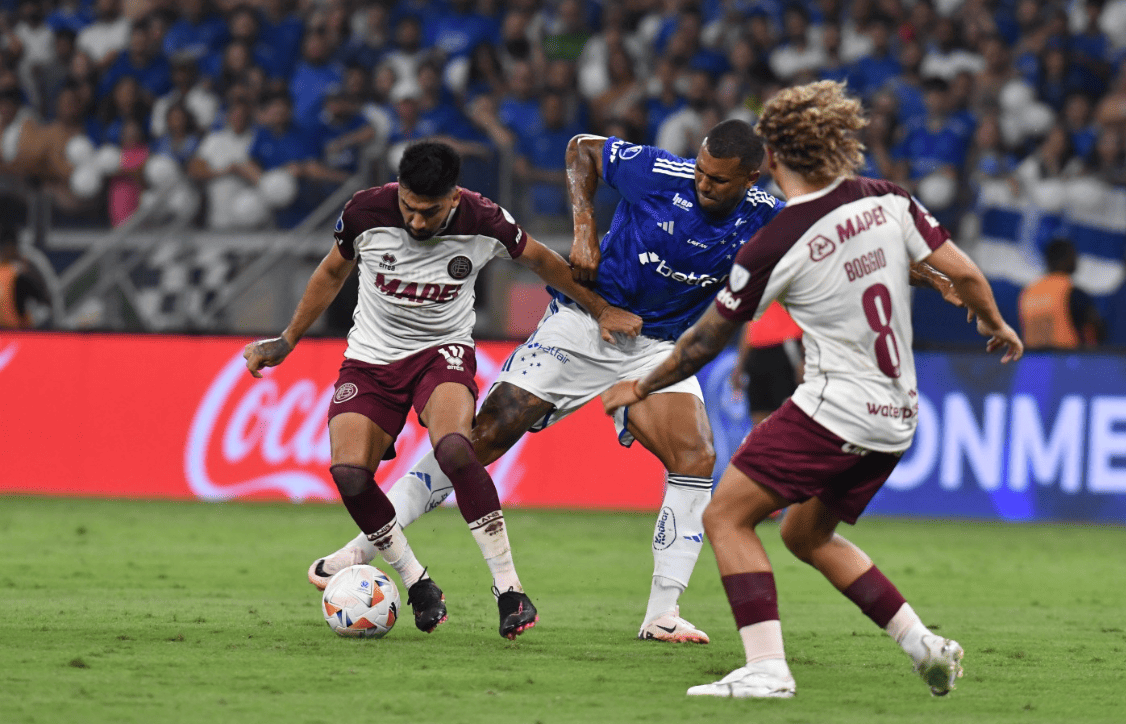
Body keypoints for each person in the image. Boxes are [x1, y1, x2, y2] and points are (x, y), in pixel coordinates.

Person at [602, 80, 1024, 699]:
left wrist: (640, 385)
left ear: (769, 159)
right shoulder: (890, 199)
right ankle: (923, 645)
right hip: (898, 414)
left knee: (726, 515)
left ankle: (768, 668)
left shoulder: (775, 239)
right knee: (805, 534)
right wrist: (993, 322)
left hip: (836, 409)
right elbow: (964, 272)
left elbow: (701, 344)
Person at [311, 119, 785, 645]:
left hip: (654, 347)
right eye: (700, 170)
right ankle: (361, 546)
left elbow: (825, 244)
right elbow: (581, 148)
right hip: (583, 324)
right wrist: (584, 230)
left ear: (751, 178)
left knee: (696, 458)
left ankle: (662, 613)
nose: (703, 184)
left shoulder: (768, 219)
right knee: (480, 438)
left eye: (718, 180)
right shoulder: (658, 173)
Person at [243, 140, 641, 639]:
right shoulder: (366, 210)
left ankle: (509, 590)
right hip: (370, 360)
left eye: (428, 212)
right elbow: (330, 271)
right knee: (347, 472)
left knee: (455, 446)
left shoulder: (485, 219)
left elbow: (543, 261)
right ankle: (416, 582)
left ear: (453, 198)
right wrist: (288, 339)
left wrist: (602, 310)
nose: (415, 222)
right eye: (408, 208)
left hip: (442, 353)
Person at [1018, 238, 1106, 349]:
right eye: (1073, 255)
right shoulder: (1071, 292)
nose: (1076, 260)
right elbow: (1095, 328)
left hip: (1032, 362)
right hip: (1064, 361)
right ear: (1063, 258)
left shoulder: (1028, 292)